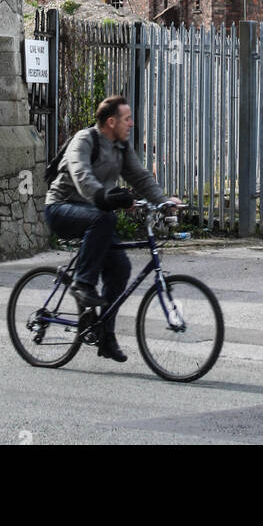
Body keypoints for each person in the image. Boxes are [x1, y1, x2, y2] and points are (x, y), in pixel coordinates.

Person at [44, 95, 178, 363]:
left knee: (121, 268)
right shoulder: (85, 140)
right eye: (127, 119)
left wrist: (163, 202)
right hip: (61, 208)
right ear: (111, 121)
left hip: (95, 213)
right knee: (104, 219)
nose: (131, 123)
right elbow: (82, 175)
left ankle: (105, 334)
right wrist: (104, 198)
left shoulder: (120, 146)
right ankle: (83, 283)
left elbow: (139, 176)